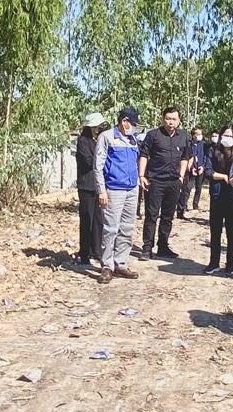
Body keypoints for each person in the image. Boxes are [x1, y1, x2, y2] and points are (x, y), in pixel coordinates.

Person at [94, 107, 144, 284]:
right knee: (110, 229)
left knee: (127, 228)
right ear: (124, 122)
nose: (135, 128)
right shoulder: (107, 137)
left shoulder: (133, 140)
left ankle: (120, 263)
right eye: (133, 124)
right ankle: (107, 266)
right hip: (113, 190)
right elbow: (98, 166)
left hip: (132, 189)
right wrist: (101, 190)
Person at [139, 107, 186, 259]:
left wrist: (181, 177)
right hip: (155, 181)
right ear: (163, 119)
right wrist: (142, 175)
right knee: (151, 215)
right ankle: (147, 248)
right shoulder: (153, 135)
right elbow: (144, 155)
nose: (170, 122)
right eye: (168, 118)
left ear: (179, 121)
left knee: (168, 216)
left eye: (174, 119)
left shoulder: (183, 136)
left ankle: (163, 246)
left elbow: (185, 157)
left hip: (174, 182)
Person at [205, 126, 233, 274]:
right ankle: (214, 262)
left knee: (231, 231)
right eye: (225, 135)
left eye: (230, 136)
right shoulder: (212, 152)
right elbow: (208, 171)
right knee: (215, 230)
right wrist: (222, 176)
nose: (227, 138)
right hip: (217, 195)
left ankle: (231, 263)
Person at [73, 112, 104, 267]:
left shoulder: (101, 139)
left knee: (98, 219)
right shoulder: (83, 141)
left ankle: (97, 251)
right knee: (87, 219)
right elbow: (88, 160)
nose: (98, 128)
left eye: (99, 126)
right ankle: (84, 252)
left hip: (99, 185)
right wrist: (101, 160)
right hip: (86, 185)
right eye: (95, 126)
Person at [183, 125, 208, 217]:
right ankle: (184, 205)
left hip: (200, 168)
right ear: (193, 135)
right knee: (188, 188)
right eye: (198, 134)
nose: (200, 136)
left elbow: (206, 156)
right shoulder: (188, 144)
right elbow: (187, 156)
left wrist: (203, 166)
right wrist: (191, 168)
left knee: (199, 187)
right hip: (191, 169)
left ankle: (195, 205)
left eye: (201, 134)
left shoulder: (204, 144)